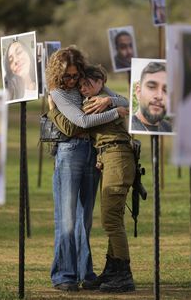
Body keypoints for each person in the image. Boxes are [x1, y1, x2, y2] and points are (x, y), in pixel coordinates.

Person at [46, 46, 129, 292]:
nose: (72, 81)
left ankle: (85, 271)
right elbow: (79, 122)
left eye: (75, 75)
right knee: (67, 217)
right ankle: (64, 274)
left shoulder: (88, 85)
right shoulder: (58, 92)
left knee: (85, 218)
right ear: (58, 75)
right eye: (67, 77)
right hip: (70, 152)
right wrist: (115, 111)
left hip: (93, 152)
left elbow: (126, 101)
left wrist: (108, 100)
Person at [131, 62, 172, 133]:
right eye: (152, 87)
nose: (159, 96)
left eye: (166, 90)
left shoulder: (169, 128)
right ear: (138, 92)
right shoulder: (128, 128)